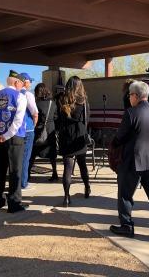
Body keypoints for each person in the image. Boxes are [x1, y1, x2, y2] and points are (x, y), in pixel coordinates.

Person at [109, 81, 149, 240]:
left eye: (130, 95)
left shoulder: (131, 113)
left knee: (125, 195)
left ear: (135, 95)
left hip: (132, 160)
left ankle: (127, 226)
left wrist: (114, 144)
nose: (129, 98)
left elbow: (120, 137)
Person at [0, 70, 28, 213]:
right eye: (21, 83)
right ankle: (14, 203)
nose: (22, 86)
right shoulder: (20, 97)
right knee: (15, 170)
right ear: (16, 82)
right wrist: (7, 135)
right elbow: (18, 120)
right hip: (14, 138)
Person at [57, 76, 90, 207]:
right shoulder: (83, 101)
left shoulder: (61, 99)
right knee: (82, 164)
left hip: (66, 135)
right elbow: (87, 118)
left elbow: (58, 119)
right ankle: (87, 188)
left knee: (67, 168)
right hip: (79, 135)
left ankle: (66, 197)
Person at [30, 83, 58, 181]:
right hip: (50, 131)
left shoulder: (36, 104)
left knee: (32, 153)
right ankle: (55, 173)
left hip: (39, 131)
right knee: (52, 154)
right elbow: (56, 117)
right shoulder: (53, 103)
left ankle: (28, 174)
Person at [20, 72, 38, 190]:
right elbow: (34, 113)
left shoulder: (15, 93)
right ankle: (23, 182)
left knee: (17, 156)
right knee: (26, 156)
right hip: (28, 129)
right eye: (30, 81)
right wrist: (34, 124)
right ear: (25, 82)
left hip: (16, 130)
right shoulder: (28, 95)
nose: (31, 83)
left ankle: (16, 181)